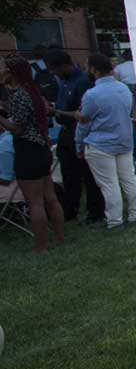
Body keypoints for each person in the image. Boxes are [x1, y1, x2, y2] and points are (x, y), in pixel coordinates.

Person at [0, 56, 65, 252]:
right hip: (42, 148)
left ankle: (41, 245)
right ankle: (60, 237)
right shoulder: (33, 91)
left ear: (12, 73)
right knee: (50, 197)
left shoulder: (20, 95)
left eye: (3, 69)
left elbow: (17, 129)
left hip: (27, 151)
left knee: (34, 202)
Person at [75, 53, 136, 229]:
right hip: (124, 140)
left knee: (109, 184)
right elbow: (131, 113)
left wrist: (79, 143)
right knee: (129, 179)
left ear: (94, 70)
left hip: (100, 144)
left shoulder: (92, 94)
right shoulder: (124, 89)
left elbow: (84, 122)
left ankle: (115, 220)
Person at [45, 50, 105, 224]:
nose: (53, 73)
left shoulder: (83, 82)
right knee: (68, 173)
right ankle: (70, 209)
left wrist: (56, 111)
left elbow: (83, 114)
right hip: (65, 130)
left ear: (64, 66)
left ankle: (95, 211)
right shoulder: (63, 82)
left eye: (54, 69)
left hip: (79, 130)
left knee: (88, 174)